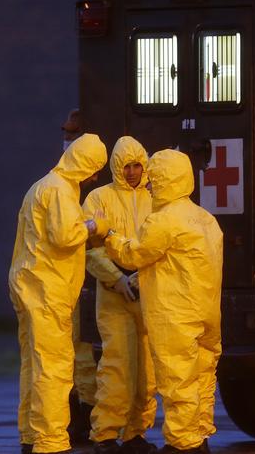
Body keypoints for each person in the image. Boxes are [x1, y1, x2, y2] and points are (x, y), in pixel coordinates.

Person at [104, 149, 223, 454]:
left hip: (174, 314)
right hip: (207, 311)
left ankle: (183, 444)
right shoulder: (206, 219)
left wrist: (109, 236)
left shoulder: (163, 220)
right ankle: (198, 436)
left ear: (164, 180)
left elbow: (135, 254)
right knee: (202, 376)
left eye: (153, 179)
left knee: (177, 379)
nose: (149, 185)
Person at [9, 133, 109, 454]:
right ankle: (51, 442)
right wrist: (94, 226)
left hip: (31, 287)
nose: (95, 178)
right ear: (85, 165)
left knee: (33, 366)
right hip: (47, 290)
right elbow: (66, 236)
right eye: (94, 170)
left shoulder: (44, 185)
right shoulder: (59, 191)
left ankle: (31, 435)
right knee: (54, 367)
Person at [82, 136, 157, 454]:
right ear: (116, 166)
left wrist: (141, 277)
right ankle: (105, 434)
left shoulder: (155, 199)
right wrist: (118, 279)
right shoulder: (99, 198)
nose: (131, 172)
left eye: (136, 165)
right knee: (116, 366)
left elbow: (160, 244)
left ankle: (136, 433)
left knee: (147, 371)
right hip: (114, 297)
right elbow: (88, 249)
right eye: (125, 166)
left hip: (148, 293)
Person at [61, 109, 98, 444]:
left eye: (74, 135)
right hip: (66, 277)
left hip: (89, 275)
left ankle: (86, 418)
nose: (67, 140)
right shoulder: (61, 185)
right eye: (66, 134)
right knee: (69, 352)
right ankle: (75, 418)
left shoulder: (92, 184)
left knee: (85, 352)